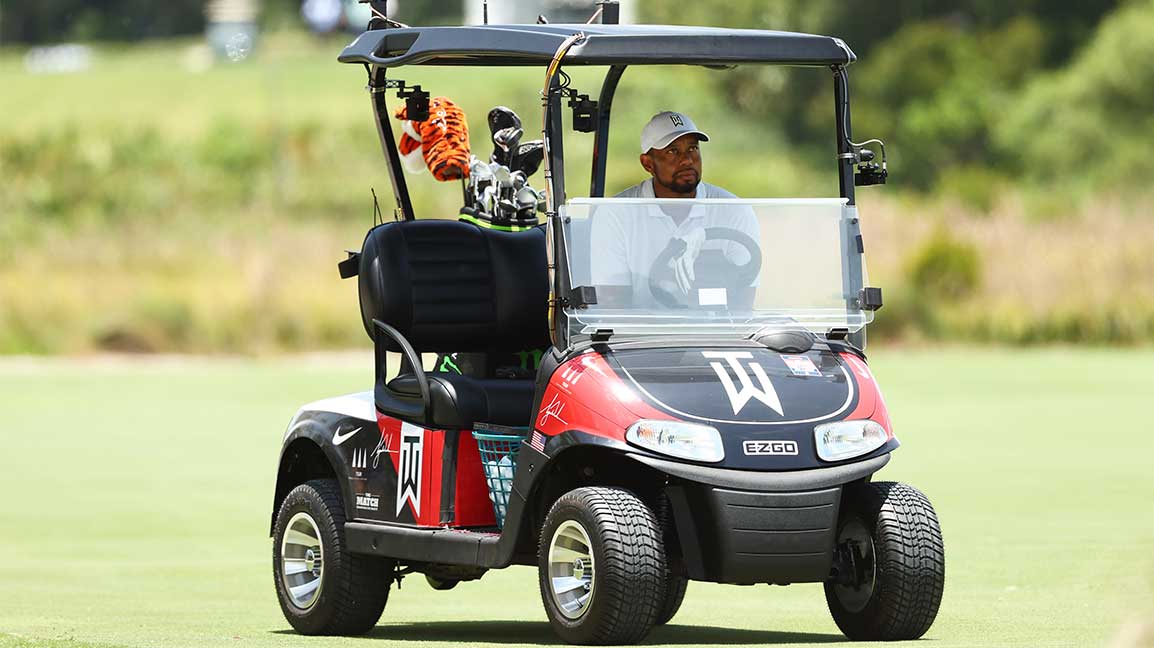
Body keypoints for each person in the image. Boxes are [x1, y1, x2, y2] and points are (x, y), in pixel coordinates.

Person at [589, 111, 761, 309]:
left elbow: (742, 305)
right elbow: (613, 306)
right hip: (639, 337)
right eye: (672, 151)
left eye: (692, 149)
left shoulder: (734, 210)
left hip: (714, 335)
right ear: (648, 163)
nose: (687, 160)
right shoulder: (616, 214)